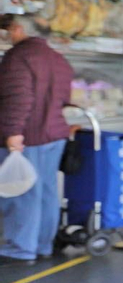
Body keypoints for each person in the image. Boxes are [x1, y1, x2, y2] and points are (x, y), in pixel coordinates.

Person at [0, 14, 74, 264]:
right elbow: (64, 98)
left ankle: (20, 248)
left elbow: (18, 99)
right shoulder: (58, 59)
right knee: (46, 191)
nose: (8, 34)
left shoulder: (18, 57)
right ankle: (43, 245)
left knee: (21, 193)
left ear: (20, 30)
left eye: (10, 29)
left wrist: (13, 133)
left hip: (28, 136)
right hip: (54, 135)